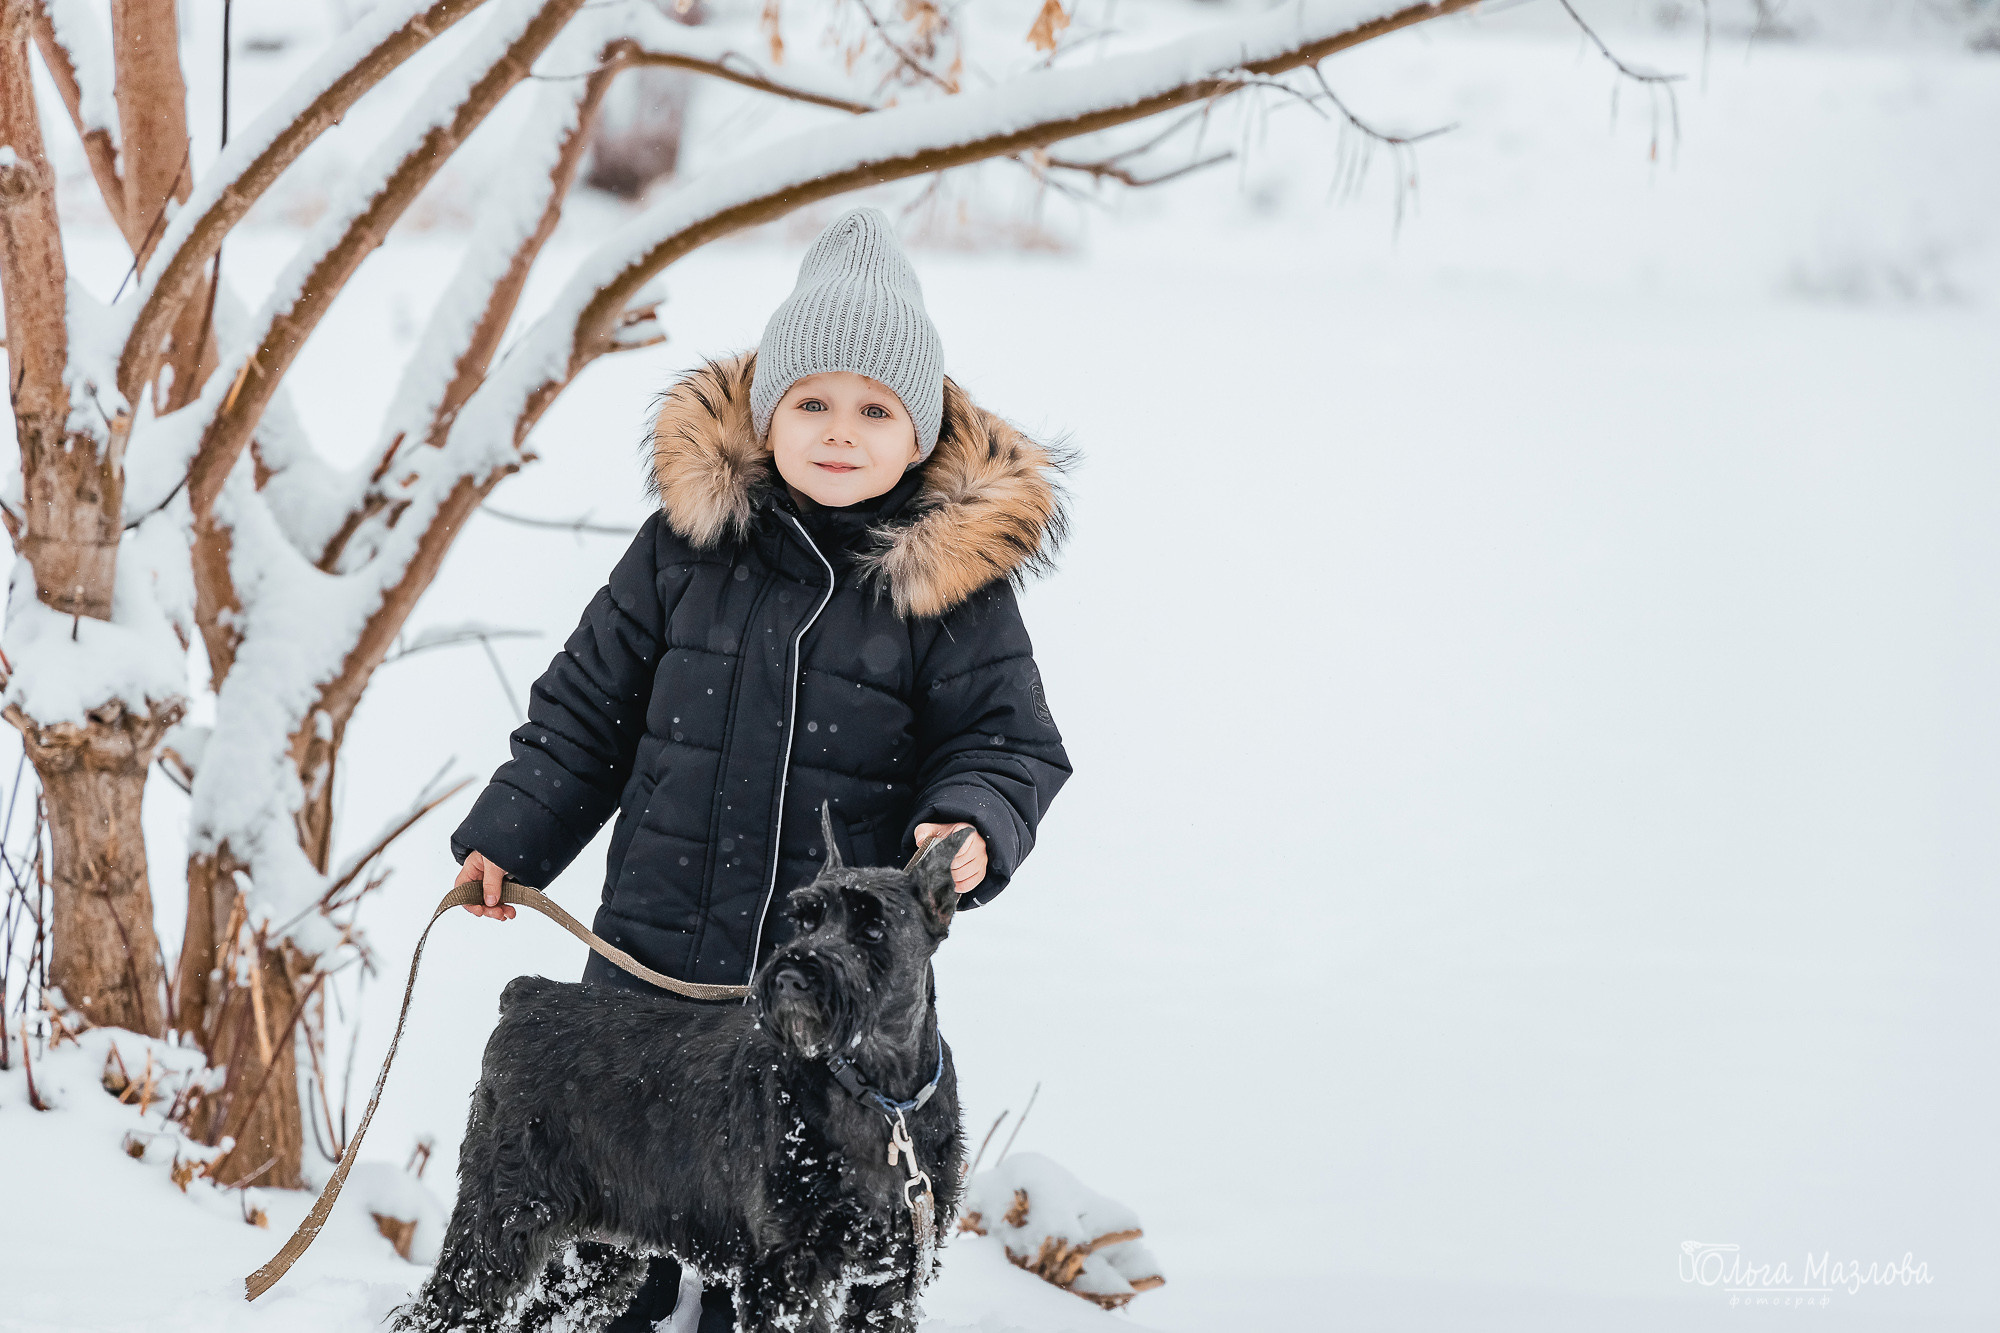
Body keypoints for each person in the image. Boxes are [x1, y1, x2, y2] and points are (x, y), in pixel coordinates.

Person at [447, 205, 1075, 1331]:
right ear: (766, 412)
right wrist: (512, 832)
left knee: (779, 1259)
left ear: (920, 430)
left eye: (875, 409)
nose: (840, 431)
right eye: (812, 402)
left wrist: (970, 819)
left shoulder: (950, 590)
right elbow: (586, 708)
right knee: (610, 1254)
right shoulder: (685, 550)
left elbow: (1009, 739)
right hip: (649, 970)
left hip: (829, 1000)